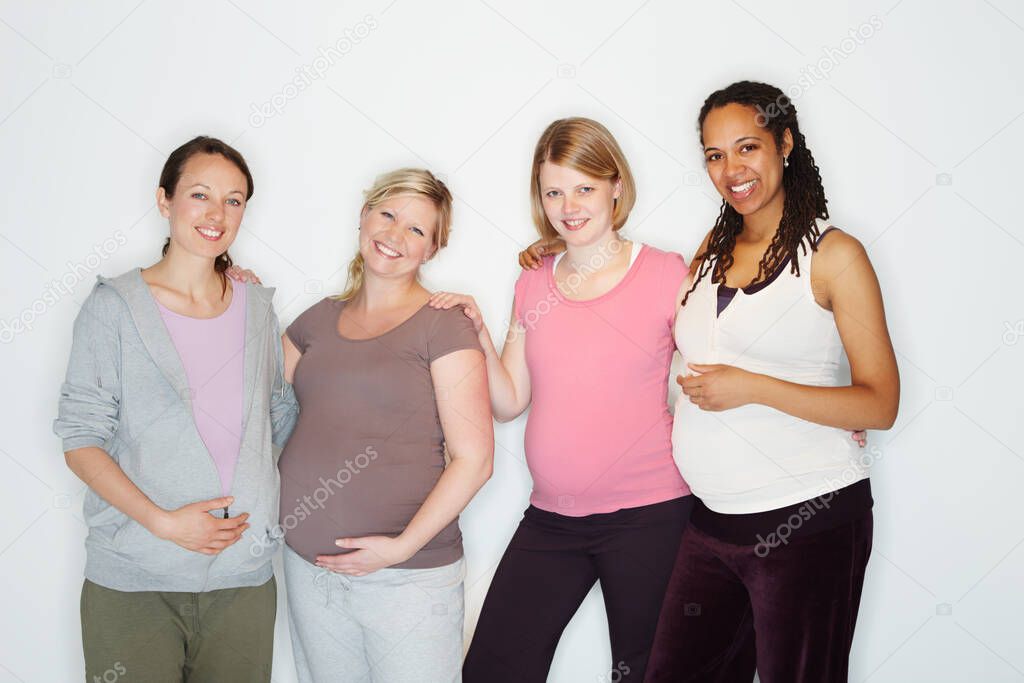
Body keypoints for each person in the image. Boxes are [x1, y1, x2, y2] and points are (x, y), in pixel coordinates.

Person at [643, 81, 900, 682]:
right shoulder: (711, 249)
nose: (731, 169)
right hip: (711, 521)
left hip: (807, 519)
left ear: (784, 143)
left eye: (747, 147)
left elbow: (881, 403)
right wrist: (564, 252)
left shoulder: (836, 257)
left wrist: (754, 387)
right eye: (713, 155)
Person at [431, 117, 694, 682]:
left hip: (651, 517)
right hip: (553, 520)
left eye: (584, 188)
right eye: (554, 191)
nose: (568, 205)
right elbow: (509, 400)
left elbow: (716, 363)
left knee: (646, 673)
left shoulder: (667, 272)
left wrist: (803, 417)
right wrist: (478, 328)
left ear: (615, 186)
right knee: (493, 669)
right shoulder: (532, 282)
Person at [54, 136, 297, 682]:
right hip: (135, 581)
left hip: (242, 581)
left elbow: (278, 417)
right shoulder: (112, 308)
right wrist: (162, 522)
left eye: (234, 200)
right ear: (164, 201)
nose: (217, 214)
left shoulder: (257, 309)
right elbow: (80, 438)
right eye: (200, 195)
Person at [277, 168, 494, 683]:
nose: (395, 235)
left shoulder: (444, 325)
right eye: (388, 215)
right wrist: (228, 286)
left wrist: (401, 547)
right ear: (363, 217)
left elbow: (475, 459)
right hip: (310, 570)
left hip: (408, 580)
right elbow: (252, 411)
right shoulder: (315, 320)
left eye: (417, 230)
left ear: (432, 249)